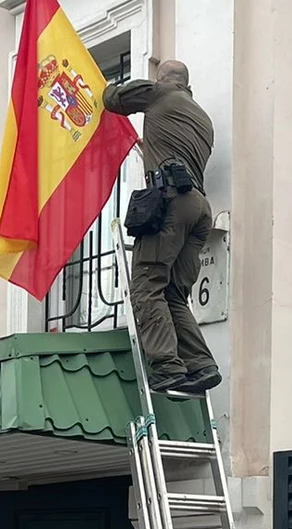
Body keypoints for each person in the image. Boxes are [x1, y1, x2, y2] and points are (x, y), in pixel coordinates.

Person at [105, 60, 220, 396]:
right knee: (174, 294)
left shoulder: (158, 92)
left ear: (163, 79)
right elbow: (174, 146)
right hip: (198, 209)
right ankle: (201, 364)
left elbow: (112, 99)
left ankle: (168, 368)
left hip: (169, 203)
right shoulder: (202, 119)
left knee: (147, 285)